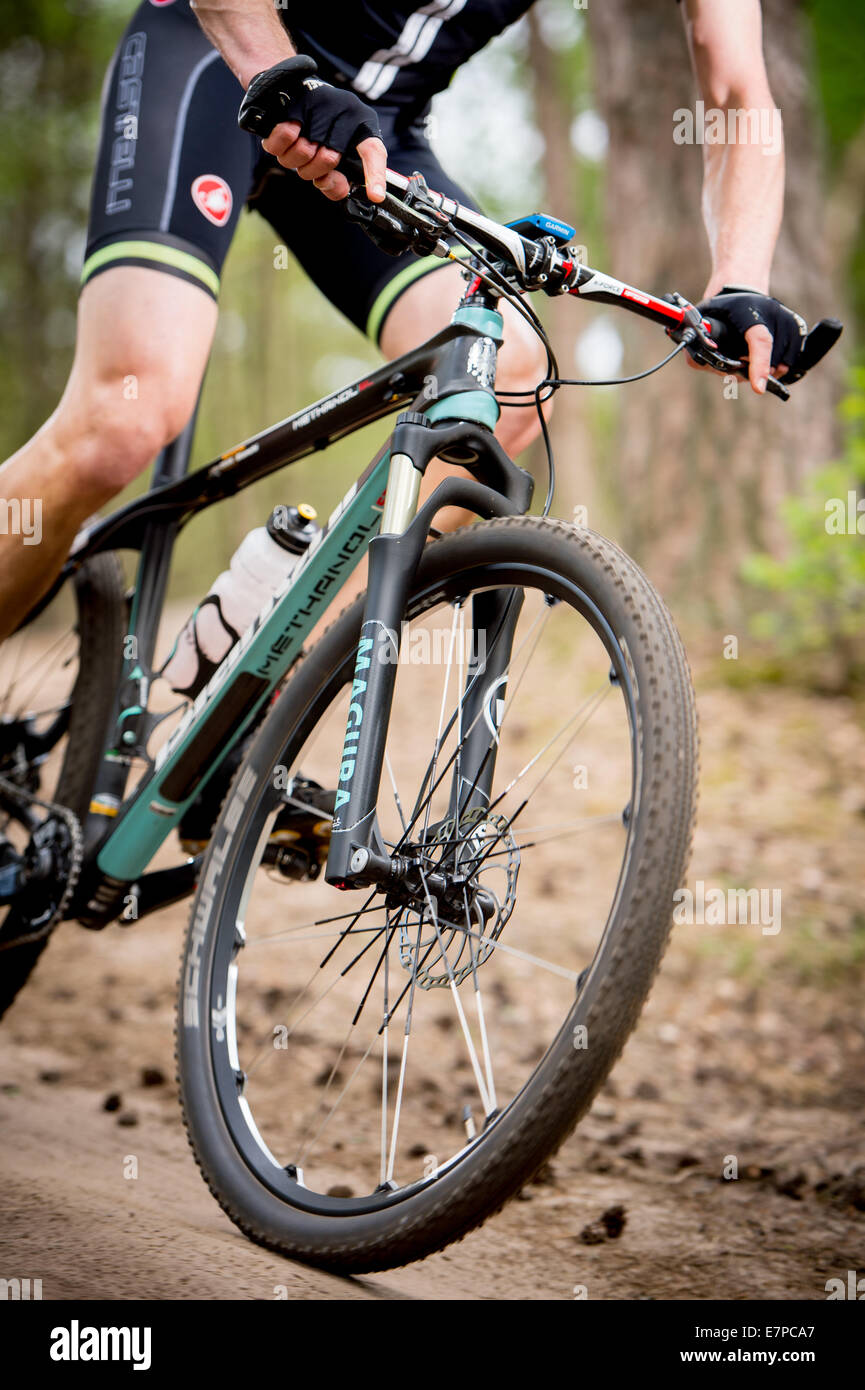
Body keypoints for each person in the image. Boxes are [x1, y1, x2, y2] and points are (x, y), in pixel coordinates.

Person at [0, 0, 806, 648]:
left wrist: (741, 279)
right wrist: (282, 78)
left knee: (511, 375)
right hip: (219, 60)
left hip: (373, 141)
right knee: (126, 418)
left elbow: (735, 91)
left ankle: (272, 667)